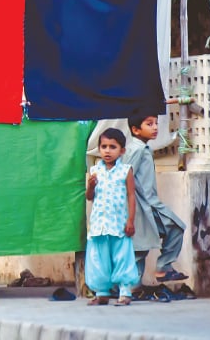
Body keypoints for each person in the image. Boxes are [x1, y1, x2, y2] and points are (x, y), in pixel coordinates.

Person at [124, 114, 188, 284]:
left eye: (156, 124)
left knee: (141, 246)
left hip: (147, 204)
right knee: (175, 227)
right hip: (145, 205)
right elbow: (125, 175)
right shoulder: (137, 150)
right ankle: (161, 268)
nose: (155, 128)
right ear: (135, 129)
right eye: (149, 124)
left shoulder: (143, 148)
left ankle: (133, 285)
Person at [85, 128, 139, 306]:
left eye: (112, 147)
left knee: (122, 256)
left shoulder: (125, 170)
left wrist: (130, 220)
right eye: (104, 146)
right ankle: (102, 292)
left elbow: (131, 196)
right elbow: (89, 197)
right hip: (99, 224)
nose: (107, 151)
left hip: (118, 223)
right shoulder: (95, 171)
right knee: (98, 258)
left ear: (122, 150)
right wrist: (91, 186)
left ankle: (125, 292)